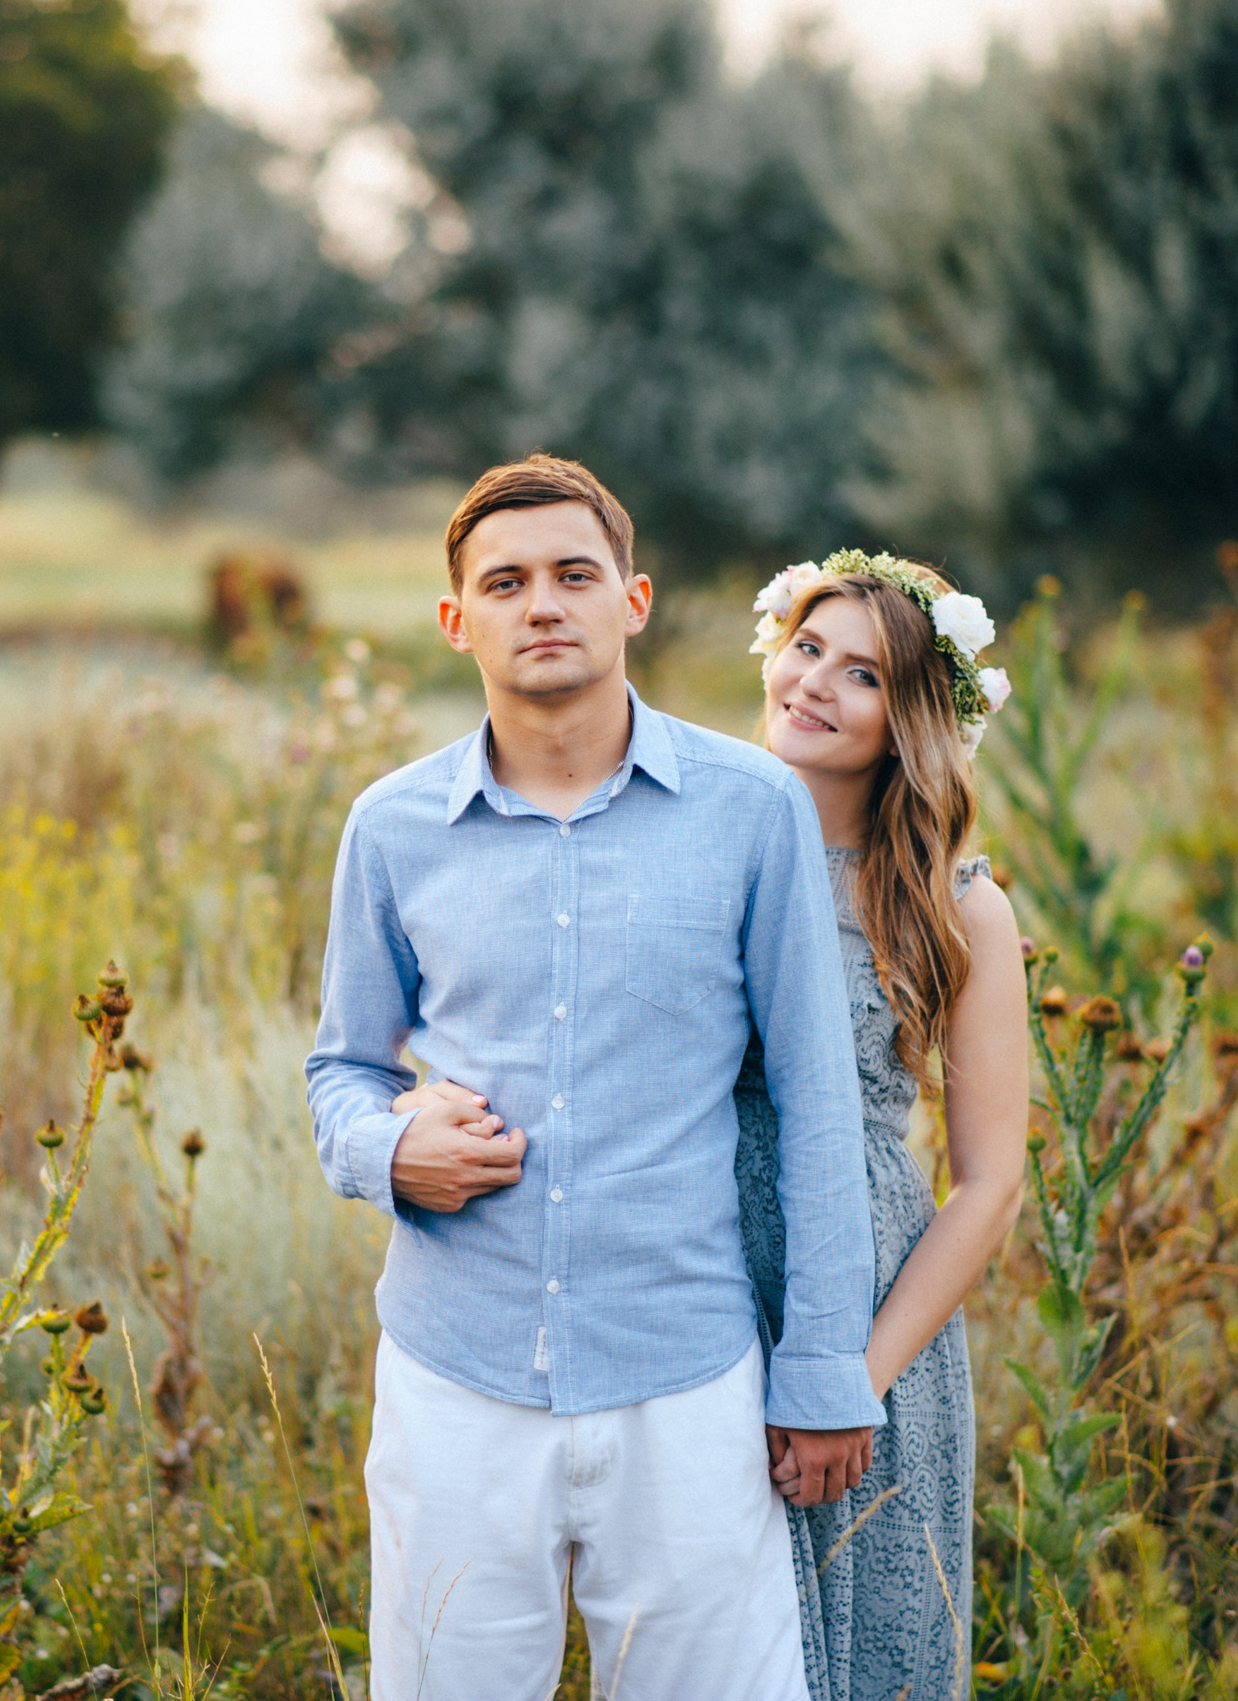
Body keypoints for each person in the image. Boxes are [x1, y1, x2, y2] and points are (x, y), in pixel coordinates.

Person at [304, 456, 883, 1701]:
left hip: (686, 1376)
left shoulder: (751, 810)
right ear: (458, 622)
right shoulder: (391, 827)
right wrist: (385, 1151)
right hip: (455, 1373)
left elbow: (815, 1103)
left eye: (575, 573)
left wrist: (824, 1369)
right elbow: (342, 1068)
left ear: (635, 599)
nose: (542, 604)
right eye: (503, 583)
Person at [738, 552, 1029, 1699]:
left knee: (865, 1649)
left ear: (911, 720)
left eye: (860, 675)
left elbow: (989, 1182)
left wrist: (854, 1380)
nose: (813, 684)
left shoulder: (957, 904)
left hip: (863, 1306)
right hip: (687, 1284)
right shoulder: (690, 843)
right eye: (806, 648)